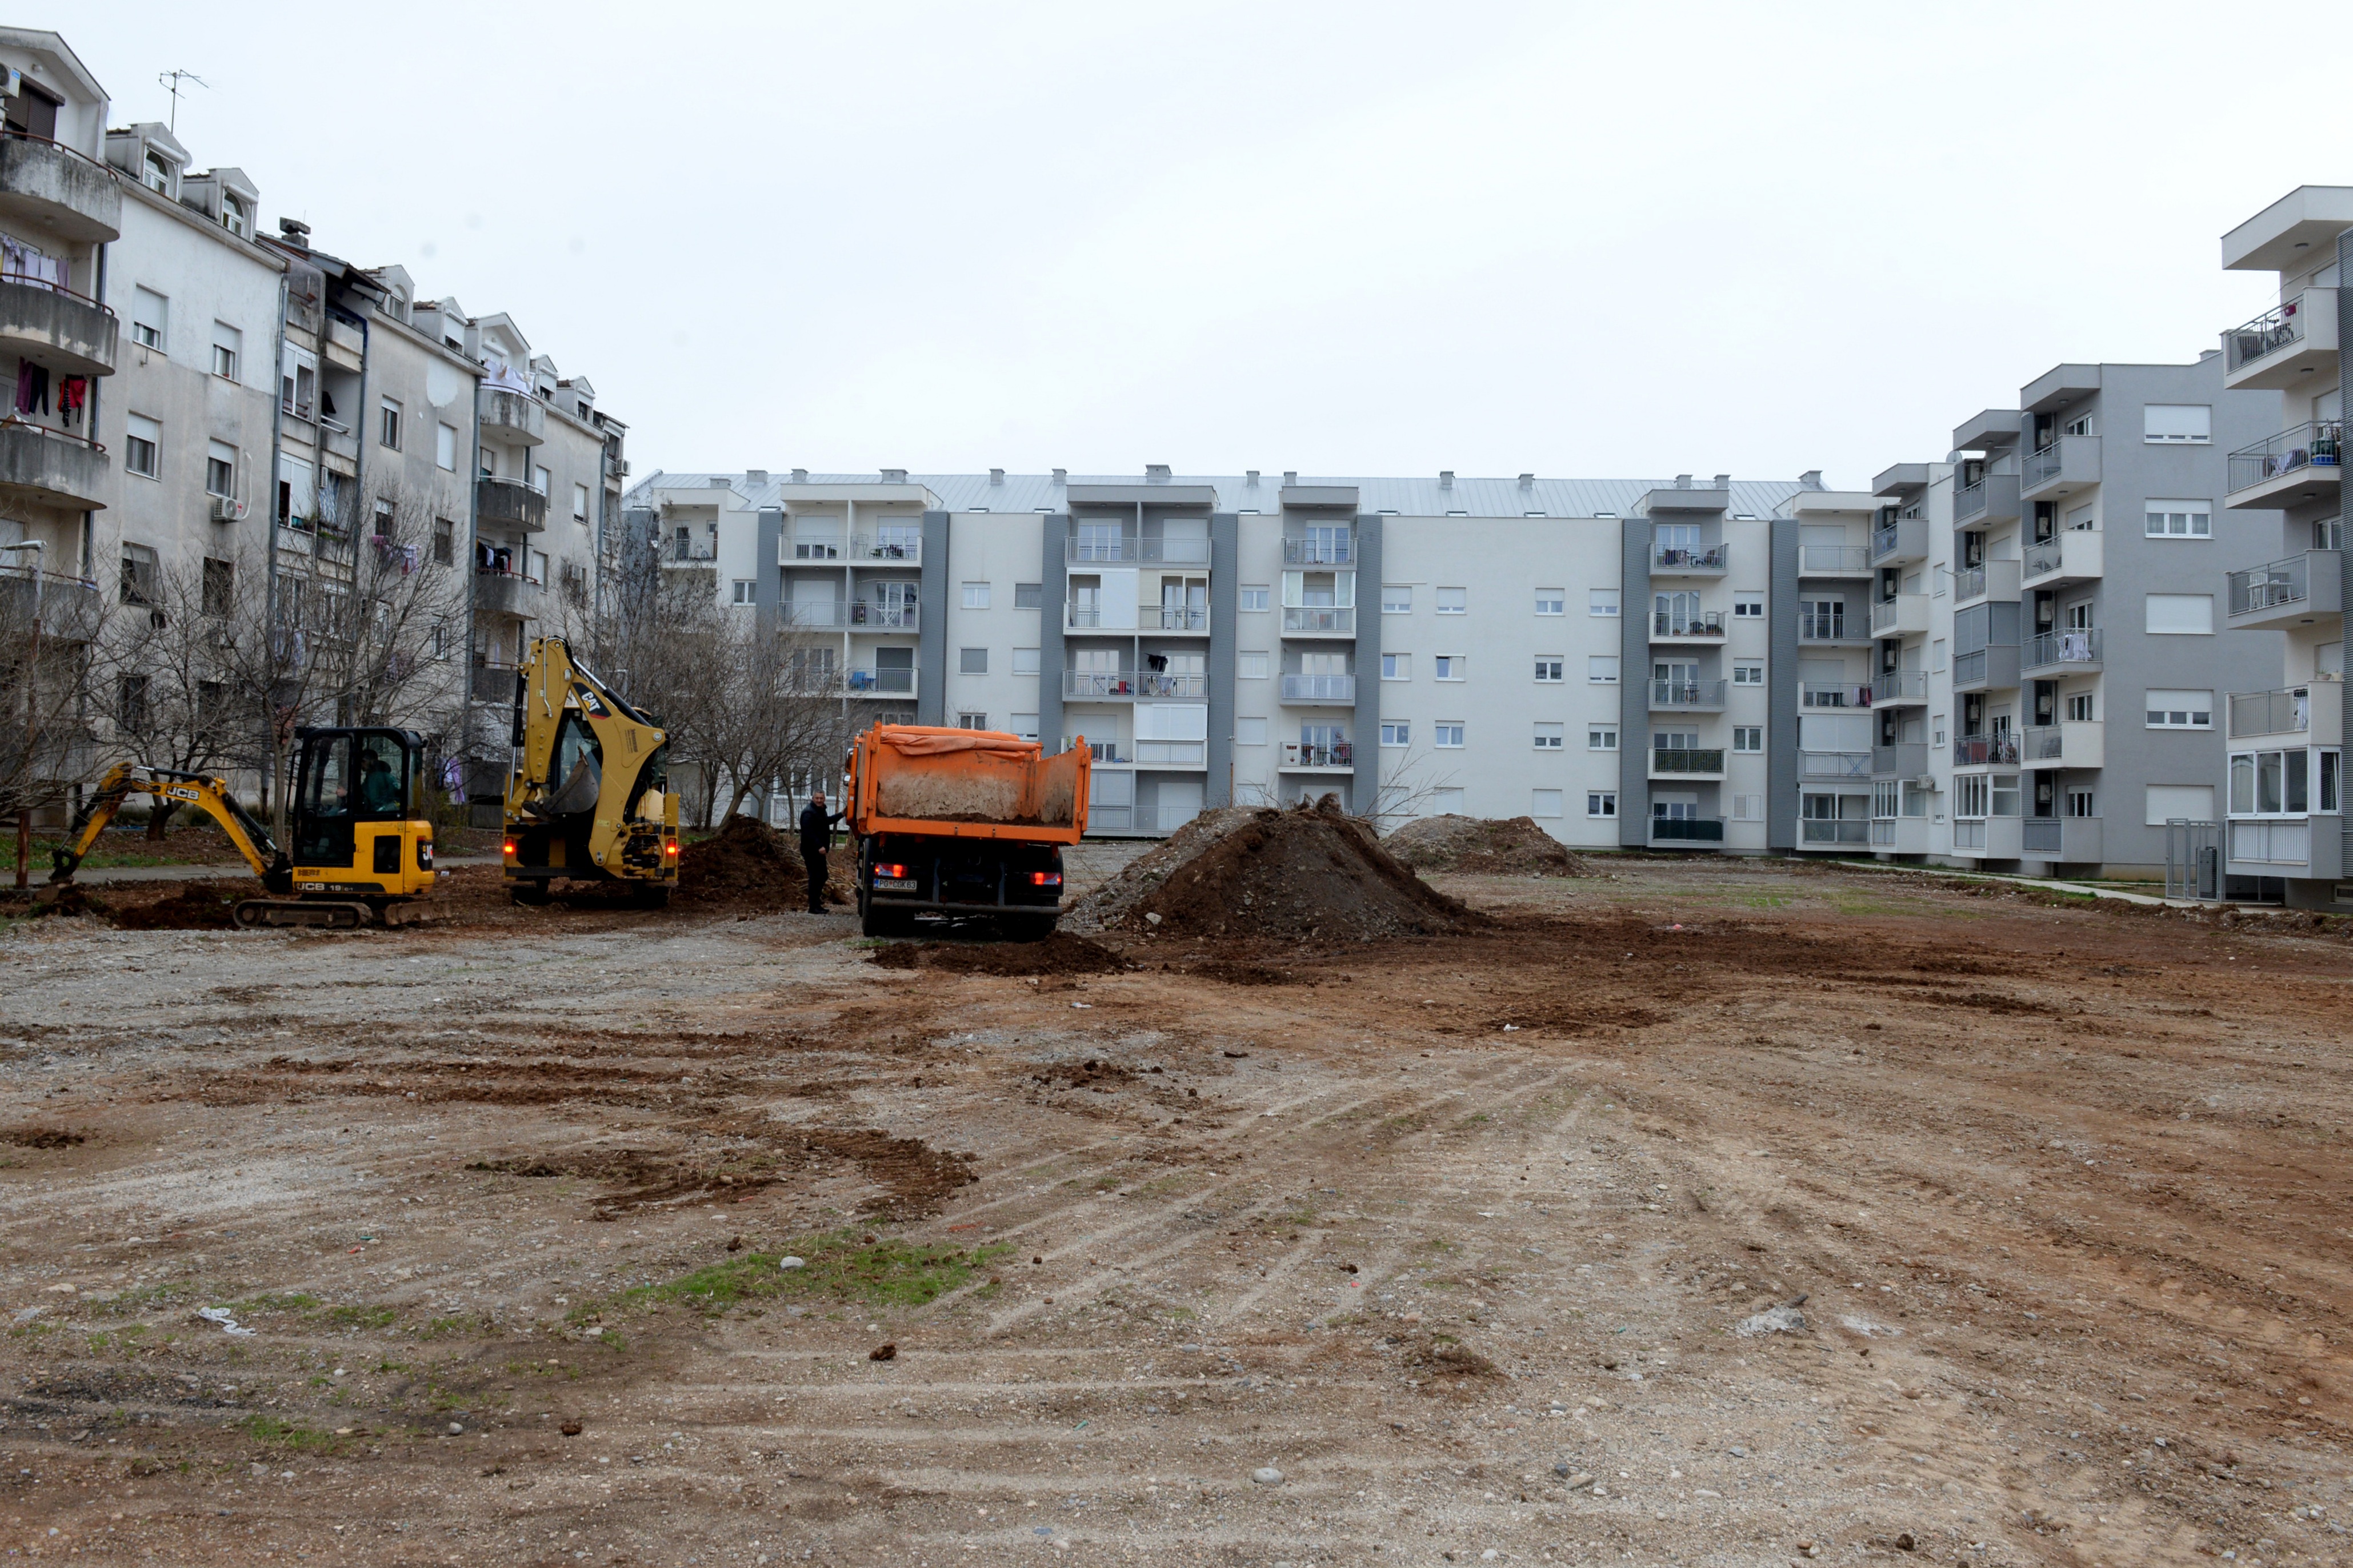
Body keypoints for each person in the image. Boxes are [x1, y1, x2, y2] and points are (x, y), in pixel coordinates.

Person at [798, 790, 844, 915]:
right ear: (813, 799)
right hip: (811, 850)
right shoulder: (808, 813)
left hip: (818, 851)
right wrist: (819, 846)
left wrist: (842, 814)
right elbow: (808, 832)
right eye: (817, 798)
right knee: (815, 877)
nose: (819, 800)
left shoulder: (820, 811)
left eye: (821, 798)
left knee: (822, 876)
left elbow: (826, 821)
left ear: (824, 799)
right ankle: (813, 907)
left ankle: (816, 902)